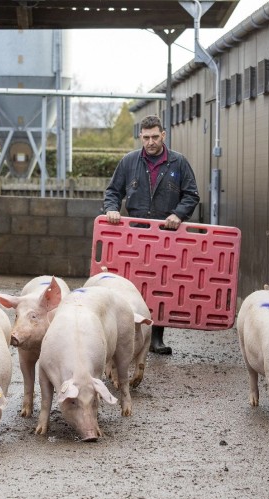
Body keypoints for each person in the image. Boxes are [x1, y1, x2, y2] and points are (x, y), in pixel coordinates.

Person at [103, 114, 200, 355]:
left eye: (155, 137)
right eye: (146, 137)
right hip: (136, 234)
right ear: (140, 137)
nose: (150, 142)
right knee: (133, 283)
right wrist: (112, 209)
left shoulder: (179, 163)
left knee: (162, 283)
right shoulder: (129, 162)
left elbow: (192, 194)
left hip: (167, 234)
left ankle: (157, 337)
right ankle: (130, 333)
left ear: (163, 135)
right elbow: (113, 191)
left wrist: (178, 214)